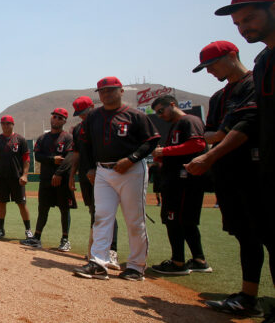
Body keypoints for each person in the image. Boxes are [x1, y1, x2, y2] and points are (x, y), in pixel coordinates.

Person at [189, 0, 275, 319]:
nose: (243, 27)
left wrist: (212, 150)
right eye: (238, 23)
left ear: (231, 57)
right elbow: (215, 132)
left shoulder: (253, 79)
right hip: (238, 175)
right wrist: (217, 139)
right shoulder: (225, 93)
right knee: (248, 236)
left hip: (253, 171)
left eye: (249, 18)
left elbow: (240, 127)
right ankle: (248, 297)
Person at [73, 76, 160, 282]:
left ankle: (136, 267)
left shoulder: (135, 115)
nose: (106, 94)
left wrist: (131, 159)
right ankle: (99, 263)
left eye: (111, 90)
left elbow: (151, 140)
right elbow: (84, 144)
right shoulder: (94, 117)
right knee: (101, 217)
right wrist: (89, 168)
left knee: (134, 220)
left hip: (131, 171)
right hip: (103, 171)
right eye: (102, 92)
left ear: (121, 91)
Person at [149, 95, 211, 275]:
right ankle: (199, 260)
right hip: (180, 179)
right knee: (187, 222)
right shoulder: (176, 125)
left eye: (161, 110)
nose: (160, 115)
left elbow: (198, 144)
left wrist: (164, 151)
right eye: (157, 113)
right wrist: (163, 156)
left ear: (172, 105)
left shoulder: (188, 120)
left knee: (174, 220)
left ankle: (177, 263)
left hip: (183, 181)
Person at [66, 96, 119, 268]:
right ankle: (96, 250)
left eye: (84, 112)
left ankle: (112, 252)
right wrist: (72, 174)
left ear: (92, 107)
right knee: (93, 211)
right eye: (79, 113)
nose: (82, 116)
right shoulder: (78, 129)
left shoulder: (104, 123)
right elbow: (76, 154)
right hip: (85, 175)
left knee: (106, 212)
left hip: (104, 173)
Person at [22, 109, 75, 251]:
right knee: (42, 209)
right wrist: (52, 159)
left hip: (62, 179)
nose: (56, 119)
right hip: (45, 179)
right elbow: (38, 156)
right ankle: (37, 238)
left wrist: (58, 173)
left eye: (60, 118)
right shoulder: (42, 138)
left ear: (64, 121)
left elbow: (69, 158)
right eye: (54, 116)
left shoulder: (68, 138)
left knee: (64, 210)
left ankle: (65, 240)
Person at [0, 115, 32, 240]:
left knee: (22, 203)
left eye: (8, 123)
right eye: (3, 123)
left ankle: (28, 230)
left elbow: (26, 159)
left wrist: (25, 175)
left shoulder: (20, 139)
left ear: (12, 124)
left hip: (17, 178)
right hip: (1, 177)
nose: (5, 125)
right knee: (2, 203)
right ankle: (0, 229)